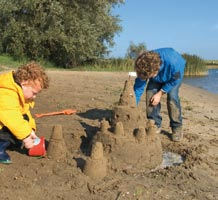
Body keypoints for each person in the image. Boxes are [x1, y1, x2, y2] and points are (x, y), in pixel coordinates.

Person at [0, 62, 49, 163]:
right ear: (24, 83)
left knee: (24, 121)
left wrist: (30, 131)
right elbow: (12, 119)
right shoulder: (6, 93)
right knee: (15, 127)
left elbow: (25, 114)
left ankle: (10, 142)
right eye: (34, 93)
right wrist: (26, 138)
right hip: (6, 120)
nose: (34, 97)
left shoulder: (19, 92)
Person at [134, 47, 186, 142]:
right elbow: (138, 88)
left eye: (148, 77)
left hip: (173, 78)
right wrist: (132, 106)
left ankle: (177, 127)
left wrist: (160, 93)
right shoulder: (144, 64)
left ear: (155, 71)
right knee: (150, 94)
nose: (146, 78)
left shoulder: (174, 63)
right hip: (158, 77)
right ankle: (154, 124)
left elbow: (176, 80)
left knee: (172, 97)